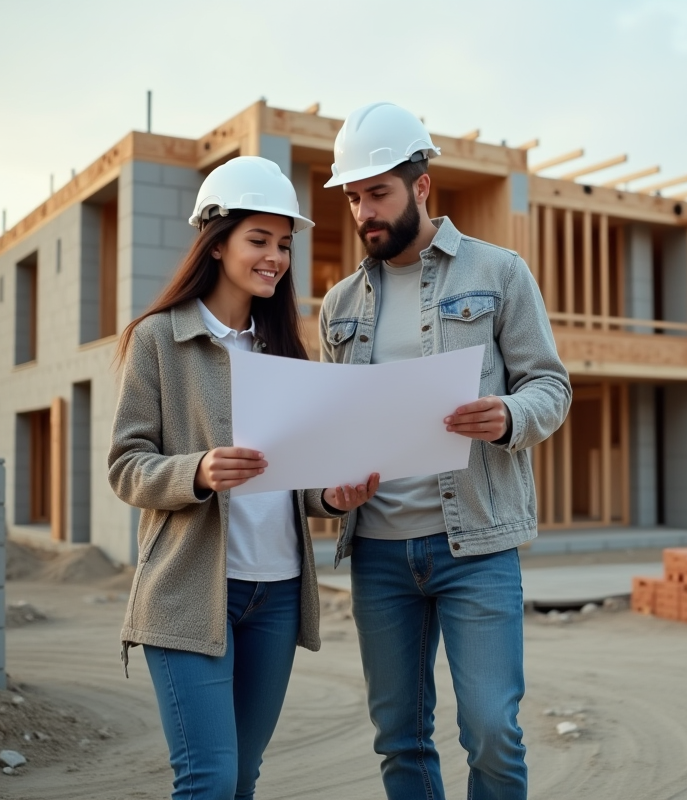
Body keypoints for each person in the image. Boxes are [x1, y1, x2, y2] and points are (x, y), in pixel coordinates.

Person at [319, 102, 572, 800]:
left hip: (477, 546)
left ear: (421, 187)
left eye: (379, 193)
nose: (365, 211)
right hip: (378, 552)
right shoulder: (337, 307)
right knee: (399, 737)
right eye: (354, 197)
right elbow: (333, 429)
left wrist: (509, 416)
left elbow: (550, 385)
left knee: (492, 730)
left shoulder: (499, 273)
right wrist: (329, 486)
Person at [108, 155, 379, 800]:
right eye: (259, 240)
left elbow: (298, 474)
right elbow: (125, 465)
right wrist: (197, 471)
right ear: (216, 240)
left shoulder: (285, 346)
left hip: (277, 595)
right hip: (191, 590)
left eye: (283, 244)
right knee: (209, 779)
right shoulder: (156, 340)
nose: (275, 258)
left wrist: (331, 497)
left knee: (243, 778)